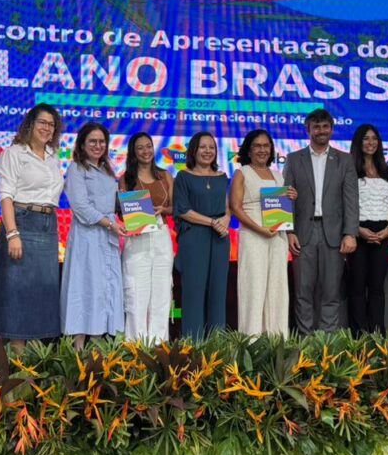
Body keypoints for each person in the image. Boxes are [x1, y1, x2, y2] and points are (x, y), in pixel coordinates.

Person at [0, 104, 64, 352]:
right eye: (42, 122)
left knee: (42, 293)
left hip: (48, 226)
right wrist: (12, 234)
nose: (47, 128)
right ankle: (16, 360)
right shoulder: (14, 153)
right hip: (22, 222)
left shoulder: (54, 156)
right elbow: (5, 195)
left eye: (51, 124)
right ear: (30, 124)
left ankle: (34, 361)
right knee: (17, 294)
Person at [283, 109, 359, 334]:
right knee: (303, 292)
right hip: (303, 233)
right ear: (308, 130)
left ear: (332, 129)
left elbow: (351, 199)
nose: (321, 131)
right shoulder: (294, 159)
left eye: (325, 126)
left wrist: (350, 233)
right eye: (316, 127)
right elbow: (286, 197)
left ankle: (328, 343)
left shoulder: (345, 160)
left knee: (331, 292)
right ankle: (305, 342)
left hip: (334, 234)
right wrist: (289, 231)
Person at [61, 123, 126, 348]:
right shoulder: (77, 169)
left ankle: (96, 352)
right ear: (82, 144)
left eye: (101, 142)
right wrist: (110, 224)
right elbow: (80, 206)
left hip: (107, 238)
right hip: (87, 238)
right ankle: (77, 351)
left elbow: (113, 204)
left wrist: (132, 207)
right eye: (92, 141)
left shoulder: (108, 171)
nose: (98, 146)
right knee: (84, 289)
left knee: (103, 292)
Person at [230, 129, 295, 335]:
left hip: (277, 236)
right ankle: (251, 339)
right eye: (257, 146)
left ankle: (277, 339)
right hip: (253, 235)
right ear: (249, 150)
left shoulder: (278, 175)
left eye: (266, 146)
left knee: (277, 288)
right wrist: (259, 229)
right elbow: (236, 208)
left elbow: (283, 208)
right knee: (254, 287)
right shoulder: (242, 173)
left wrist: (291, 196)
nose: (262, 150)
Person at [173, 132, 230, 339]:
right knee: (194, 294)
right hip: (194, 238)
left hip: (220, 239)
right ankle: (193, 346)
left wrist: (225, 220)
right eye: (203, 147)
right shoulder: (183, 176)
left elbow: (227, 207)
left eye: (211, 147)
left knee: (218, 294)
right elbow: (183, 210)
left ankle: (217, 347)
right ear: (194, 150)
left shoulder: (222, 177)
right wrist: (212, 222)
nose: (208, 151)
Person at [119, 132, 174, 343]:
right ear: (133, 152)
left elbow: (175, 208)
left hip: (161, 235)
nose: (145, 151)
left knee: (161, 293)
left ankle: (159, 346)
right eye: (140, 147)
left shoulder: (165, 176)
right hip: (137, 237)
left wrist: (164, 210)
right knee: (136, 294)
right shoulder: (126, 178)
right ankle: (135, 346)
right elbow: (121, 211)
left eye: (148, 146)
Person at [348, 124, 388, 335]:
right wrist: (357, 229)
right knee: (357, 287)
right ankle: (359, 335)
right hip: (357, 232)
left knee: (377, 287)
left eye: (374, 138)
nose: (371, 143)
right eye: (366, 138)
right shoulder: (350, 169)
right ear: (358, 142)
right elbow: (344, 204)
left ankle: (378, 334)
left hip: (383, 234)